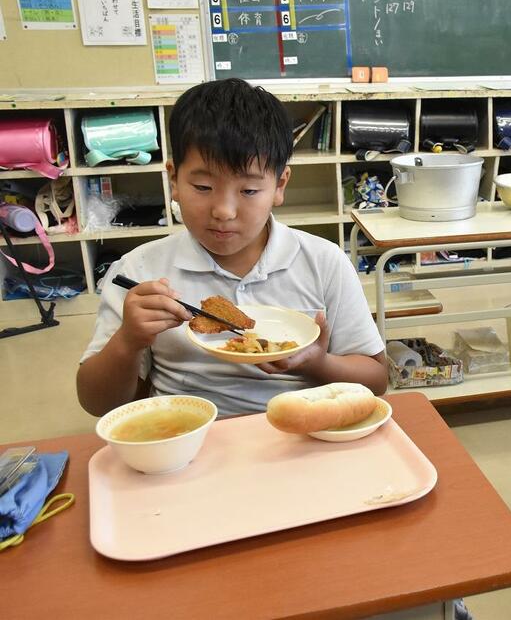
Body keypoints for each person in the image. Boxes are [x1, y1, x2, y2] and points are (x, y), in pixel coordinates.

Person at [77, 78, 386, 418]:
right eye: (203, 186)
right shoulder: (139, 270)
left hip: (299, 431)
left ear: (279, 185)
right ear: (174, 181)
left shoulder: (324, 262)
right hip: (188, 435)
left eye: (249, 191)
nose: (223, 211)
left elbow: (376, 380)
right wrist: (128, 341)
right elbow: (97, 403)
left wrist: (319, 364)